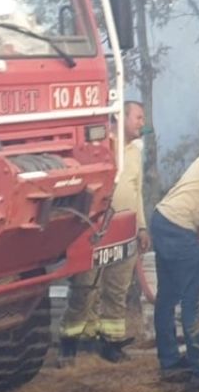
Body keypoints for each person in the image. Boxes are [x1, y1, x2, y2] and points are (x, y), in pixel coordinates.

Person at [59, 101, 150, 364]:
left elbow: (137, 192)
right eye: (138, 117)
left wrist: (141, 227)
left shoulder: (135, 152)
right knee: (84, 287)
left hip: (125, 232)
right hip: (94, 230)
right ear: (120, 119)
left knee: (117, 289)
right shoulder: (98, 148)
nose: (142, 123)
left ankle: (111, 344)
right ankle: (69, 345)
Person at [150, 149, 199, 383]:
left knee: (167, 295)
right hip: (181, 226)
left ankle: (169, 362)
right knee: (192, 298)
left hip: (162, 217)